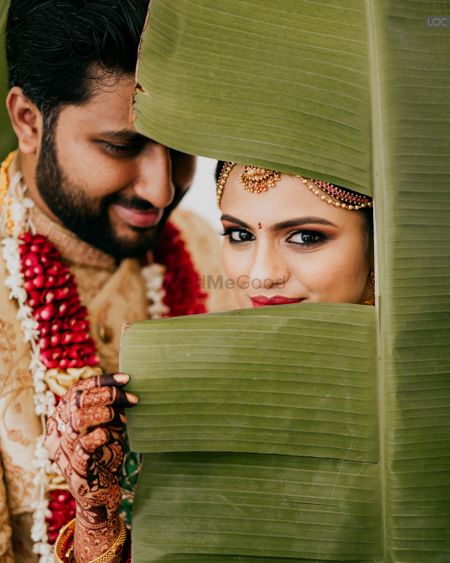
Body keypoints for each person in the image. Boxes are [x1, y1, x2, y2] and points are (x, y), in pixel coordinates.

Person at [0, 1, 235, 560]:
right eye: (122, 146)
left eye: (180, 145)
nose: (161, 190)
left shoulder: (213, 249)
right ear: (29, 122)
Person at [47, 161, 374, 561]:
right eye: (239, 234)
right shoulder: (181, 395)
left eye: (305, 236)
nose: (260, 275)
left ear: (381, 243)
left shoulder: (424, 395)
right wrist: (96, 513)